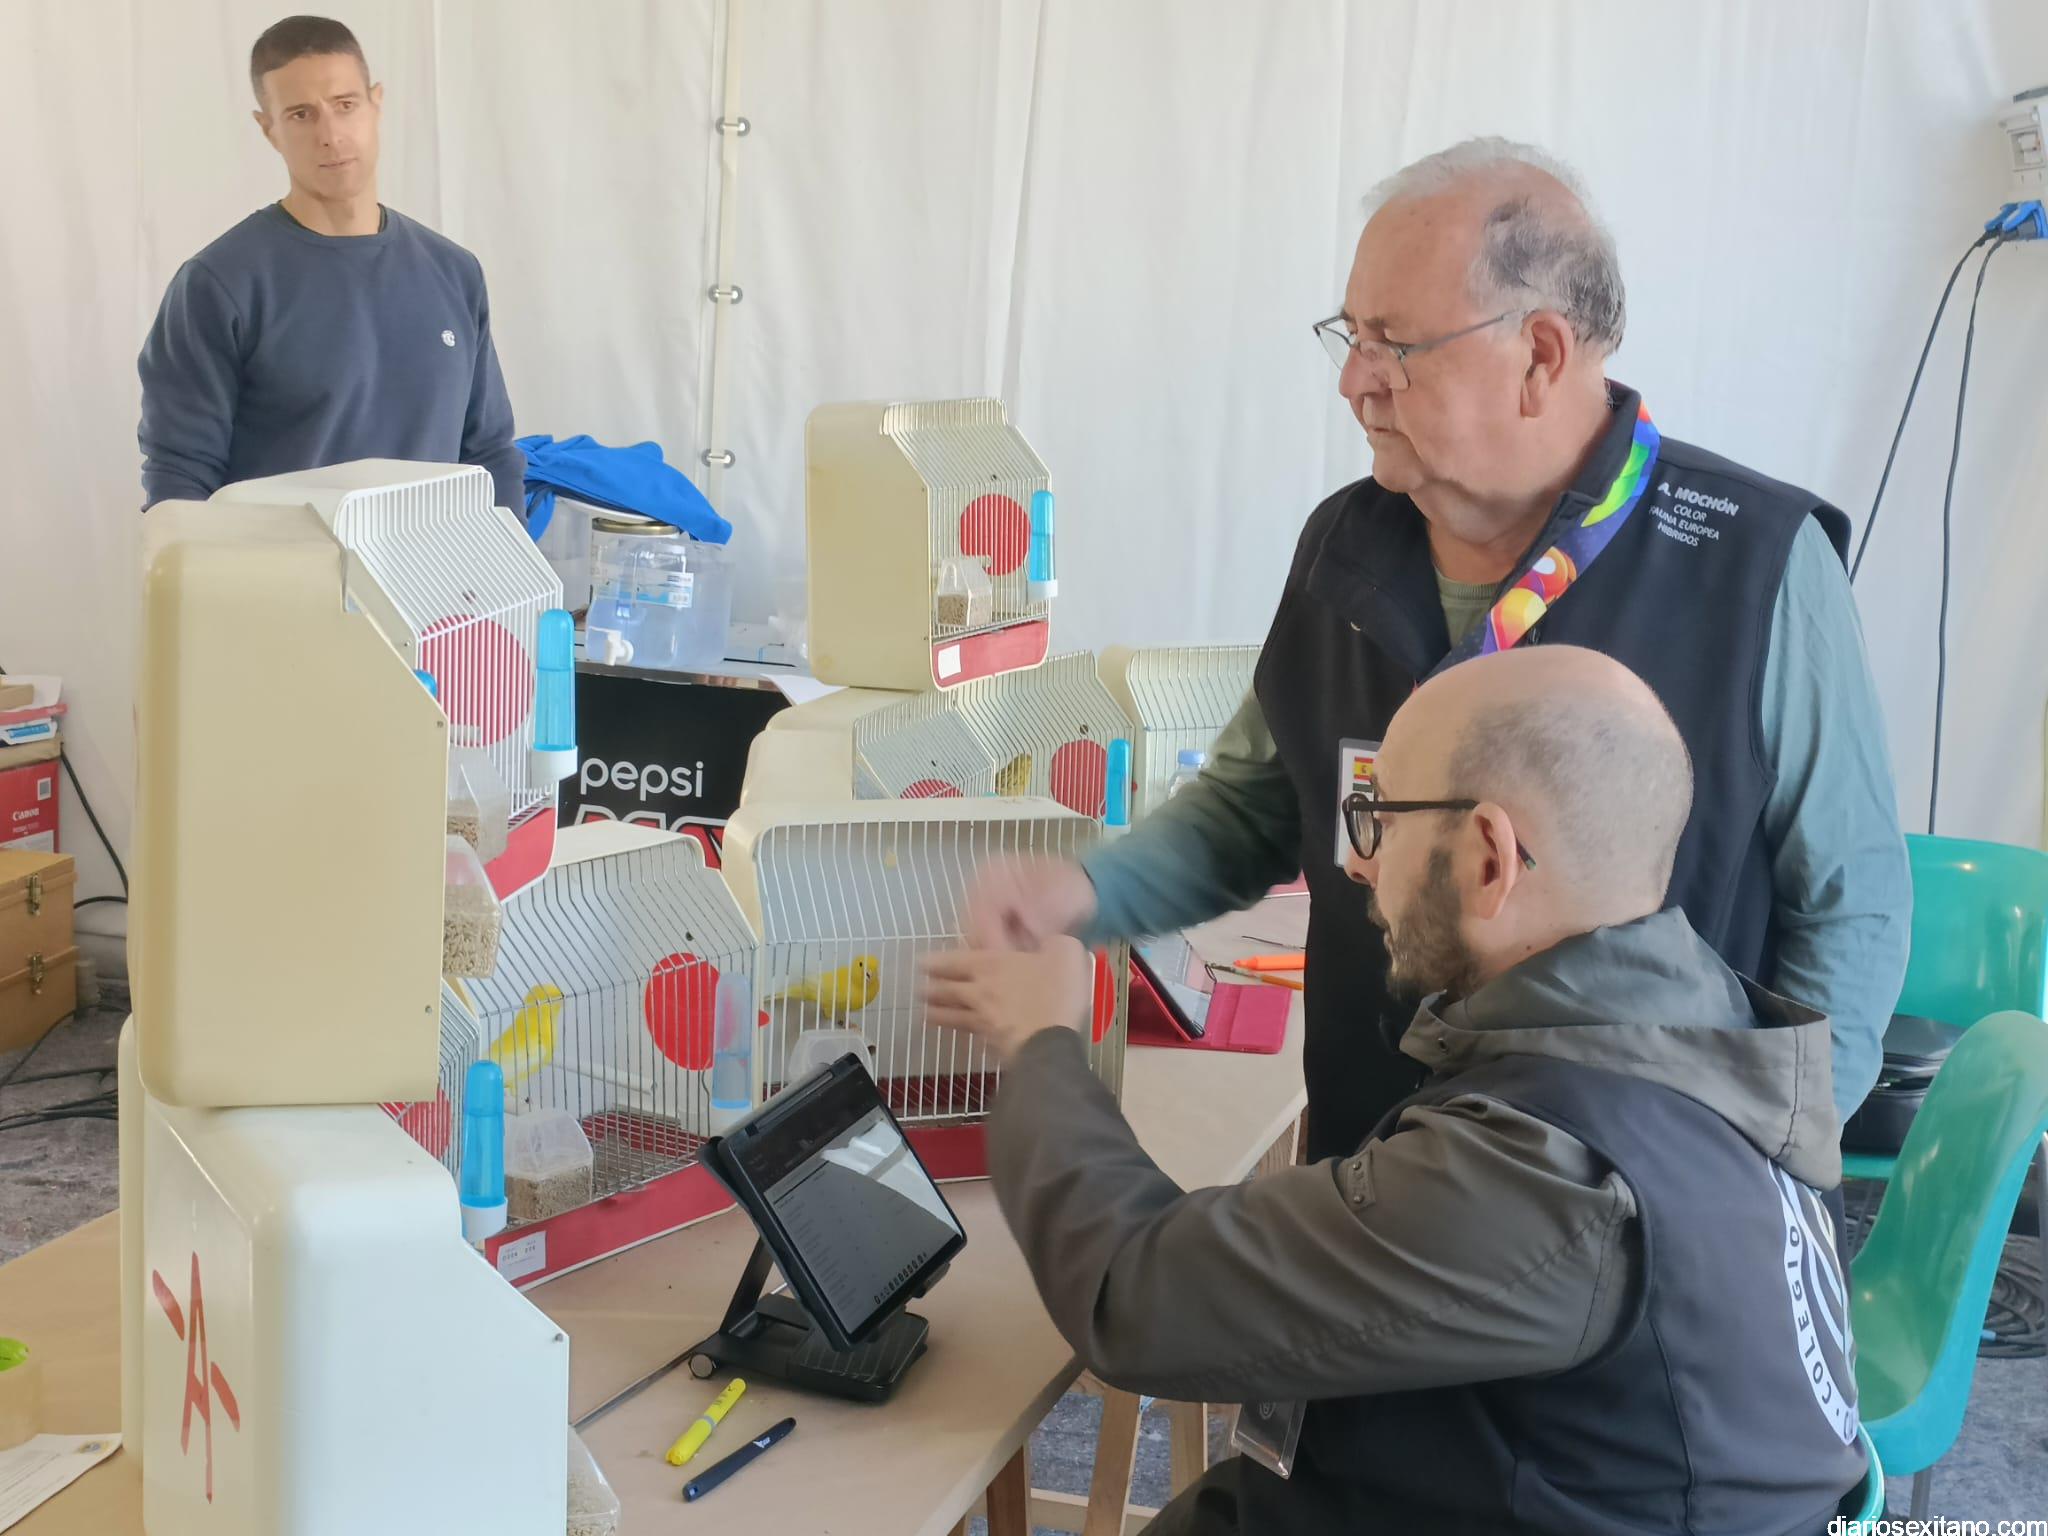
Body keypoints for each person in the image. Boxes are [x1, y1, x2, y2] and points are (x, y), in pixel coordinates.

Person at [968, 138, 1909, 1185]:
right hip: (1380, 1184)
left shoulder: (1754, 562)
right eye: (1349, 334)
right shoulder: (1343, 547)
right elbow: (1249, 809)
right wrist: (1080, 894)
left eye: (1394, 344)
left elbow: (1851, 904)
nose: (1353, 382)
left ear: (1539, 356)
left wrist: (1769, 1172)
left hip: (1644, 1202)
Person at [925, 645, 1864, 1536]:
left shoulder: (1553, 1178)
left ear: (1490, 860)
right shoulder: (1694, 1046)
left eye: (1380, 817)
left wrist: (1040, 1043)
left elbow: (1134, 1295)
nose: (1356, 861)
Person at [137, 15, 525, 516]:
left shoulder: (454, 271)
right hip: (280, 567)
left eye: (345, 105)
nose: (330, 134)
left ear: (375, 103)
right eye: (301, 114)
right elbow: (180, 481)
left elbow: (490, 454)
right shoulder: (220, 285)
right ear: (268, 129)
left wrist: (511, 561)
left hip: (433, 567)